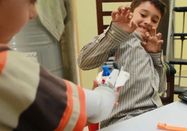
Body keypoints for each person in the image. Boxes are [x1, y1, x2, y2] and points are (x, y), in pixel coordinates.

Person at [0, 0, 118, 130]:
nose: (34, 14)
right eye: (31, 2)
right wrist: (108, 88)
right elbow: (98, 106)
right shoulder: (6, 66)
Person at [78, 0, 167, 128]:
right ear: (131, 13)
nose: (148, 21)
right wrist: (118, 32)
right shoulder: (118, 37)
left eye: (154, 20)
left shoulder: (151, 44)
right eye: (143, 15)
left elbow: (161, 88)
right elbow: (83, 62)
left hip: (156, 114)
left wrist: (155, 55)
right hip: (123, 119)